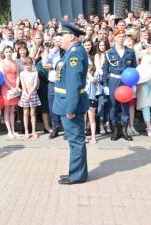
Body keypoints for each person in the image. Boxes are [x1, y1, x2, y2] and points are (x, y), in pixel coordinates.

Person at [52, 21, 89, 185]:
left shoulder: (74, 54)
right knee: (74, 140)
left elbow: (73, 84)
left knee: (76, 140)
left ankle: (77, 176)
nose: (60, 38)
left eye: (63, 35)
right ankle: (76, 172)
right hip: (64, 102)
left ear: (72, 37)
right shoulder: (70, 52)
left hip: (69, 103)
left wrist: (71, 108)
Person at [102, 28, 137, 141]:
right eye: (119, 37)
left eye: (123, 37)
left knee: (125, 107)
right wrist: (105, 85)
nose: (121, 39)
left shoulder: (130, 52)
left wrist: (134, 83)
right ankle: (115, 131)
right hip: (113, 81)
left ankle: (124, 131)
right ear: (115, 38)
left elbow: (134, 68)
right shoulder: (108, 53)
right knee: (113, 107)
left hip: (126, 82)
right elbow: (105, 70)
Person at [0, 45, 20, 138]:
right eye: (6, 52)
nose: (8, 53)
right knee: (7, 109)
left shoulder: (16, 62)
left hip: (15, 88)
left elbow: (18, 75)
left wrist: (16, 86)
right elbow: (3, 77)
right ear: (3, 53)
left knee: (12, 110)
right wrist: (11, 88)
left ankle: (13, 130)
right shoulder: (1, 63)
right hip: (6, 87)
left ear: (12, 52)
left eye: (10, 51)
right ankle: (9, 131)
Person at [18, 57, 41, 139]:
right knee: (25, 114)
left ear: (32, 64)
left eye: (29, 64)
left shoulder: (35, 73)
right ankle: (27, 131)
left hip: (33, 94)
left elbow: (35, 85)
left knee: (33, 114)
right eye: (26, 65)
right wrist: (26, 93)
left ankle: (34, 131)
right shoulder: (22, 73)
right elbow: (23, 85)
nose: (28, 66)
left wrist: (30, 93)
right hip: (24, 94)